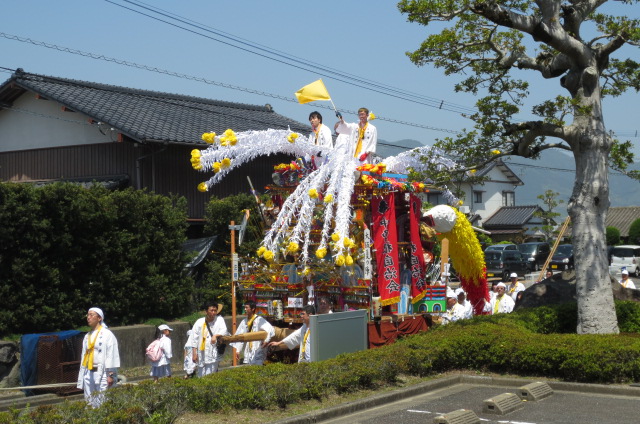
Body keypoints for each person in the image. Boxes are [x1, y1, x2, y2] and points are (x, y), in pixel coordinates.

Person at [77, 307, 120, 408]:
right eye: (88, 315)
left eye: (91, 315)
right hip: (88, 371)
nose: (88, 317)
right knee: (89, 400)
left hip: (102, 373)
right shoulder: (87, 336)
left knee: (103, 400)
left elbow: (111, 355)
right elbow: (84, 355)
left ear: (99, 318)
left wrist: (111, 375)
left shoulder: (107, 334)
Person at [230, 301, 275, 365]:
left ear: (253, 309)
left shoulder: (259, 320)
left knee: (258, 367)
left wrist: (266, 341)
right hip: (249, 348)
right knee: (251, 368)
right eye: (244, 308)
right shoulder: (244, 321)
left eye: (247, 307)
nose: (245, 309)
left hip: (259, 347)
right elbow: (239, 336)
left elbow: (270, 329)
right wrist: (238, 350)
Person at [191, 302, 229, 376]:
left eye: (215, 310)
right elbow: (194, 339)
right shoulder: (199, 322)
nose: (213, 312)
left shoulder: (220, 320)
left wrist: (215, 335)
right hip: (201, 352)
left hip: (213, 352)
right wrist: (194, 353)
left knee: (211, 374)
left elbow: (224, 330)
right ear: (206, 311)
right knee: (201, 375)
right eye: (211, 310)